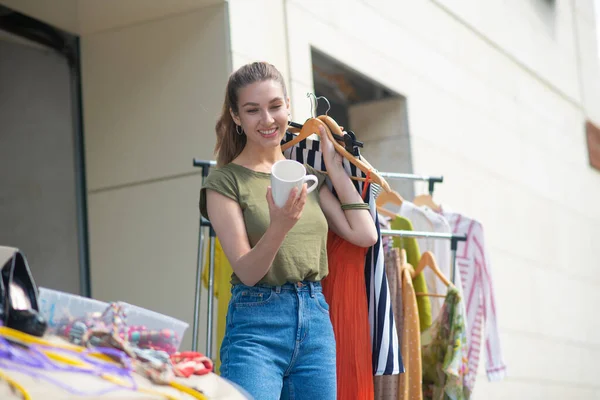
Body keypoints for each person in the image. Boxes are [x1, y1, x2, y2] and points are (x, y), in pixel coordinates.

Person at [199, 61, 378, 400]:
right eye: (252, 110)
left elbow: (365, 234)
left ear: (288, 106)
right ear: (236, 117)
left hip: (315, 321)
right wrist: (280, 225)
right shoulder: (224, 183)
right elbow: (248, 272)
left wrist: (333, 167)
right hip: (256, 326)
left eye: (275, 106)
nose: (267, 120)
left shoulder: (306, 176)